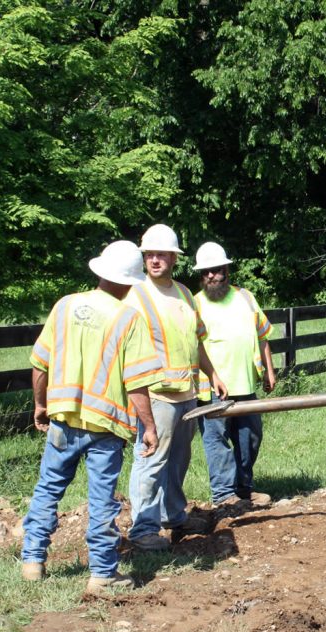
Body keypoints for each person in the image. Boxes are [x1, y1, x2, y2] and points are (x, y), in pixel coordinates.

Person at [21, 240, 163, 594]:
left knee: (48, 489)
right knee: (102, 499)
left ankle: (32, 561)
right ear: (131, 281)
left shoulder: (65, 306)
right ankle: (102, 574)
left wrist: (40, 404)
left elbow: (40, 363)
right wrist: (149, 426)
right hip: (105, 427)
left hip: (63, 419)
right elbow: (137, 384)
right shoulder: (129, 318)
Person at [124, 224, 227, 551]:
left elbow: (196, 342)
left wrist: (213, 375)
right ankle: (143, 528)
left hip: (187, 394)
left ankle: (172, 515)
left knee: (179, 460)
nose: (155, 260)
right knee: (151, 461)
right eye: (149, 254)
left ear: (173, 257)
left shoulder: (183, 293)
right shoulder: (135, 294)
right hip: (155, 395)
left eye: (161, 254)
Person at [194, 242, 277, 511]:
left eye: (215, 270)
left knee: (249, 439)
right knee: (217, 442)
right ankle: (223, 496)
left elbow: (263, 335)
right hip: (211, 390)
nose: (210, 276)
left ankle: (244, 489)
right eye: (205, 272)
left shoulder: (246, 297)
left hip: (246, 384)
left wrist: (269, 369)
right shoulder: (193, 304)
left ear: (226, 270)